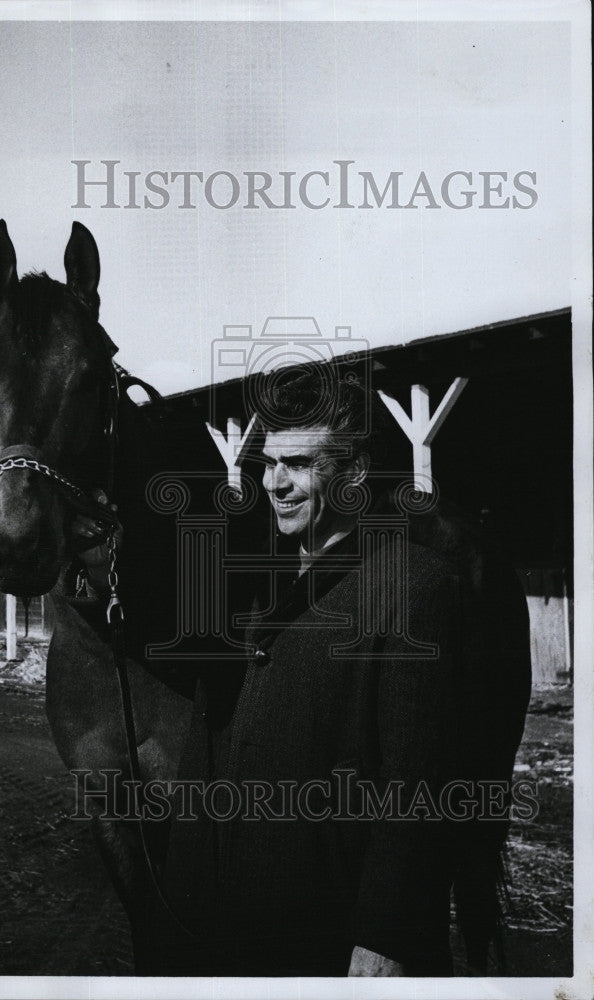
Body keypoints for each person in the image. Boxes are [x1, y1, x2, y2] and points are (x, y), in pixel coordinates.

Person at [73, 363, 531, 977]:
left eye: (299, 463)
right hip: (225, 928)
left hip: (326, 940)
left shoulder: (413, 588)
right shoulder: (245, 584)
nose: (275, 483)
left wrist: (385, 940)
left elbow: (415, 790)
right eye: (267, 463)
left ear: (353, 474)